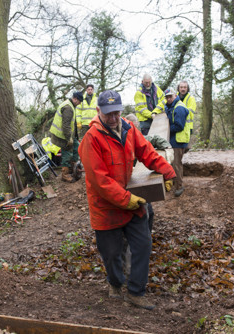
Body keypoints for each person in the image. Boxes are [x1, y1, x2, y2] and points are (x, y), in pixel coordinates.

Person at [79, 90, 175, 310]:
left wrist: (167, 172)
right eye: (108, 114)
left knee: (143, 244)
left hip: (131, 201)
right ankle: (115, 283)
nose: (113, 118)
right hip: (105, 206)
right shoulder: (91, 139)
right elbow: (99, 180)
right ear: (98, 112)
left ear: (122, 110)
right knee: (112, 254)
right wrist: (126, 199)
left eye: (116, 113)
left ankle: (135, 292)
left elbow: (148, 153)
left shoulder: (130, 129)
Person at [49, 91, 83, 182]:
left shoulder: (72, 105)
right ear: (75, 99)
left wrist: (75, 137)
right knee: (67, 153)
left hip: (70, 135)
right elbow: (66, 126)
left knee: (77, 148)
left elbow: (73, 123)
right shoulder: (68, 107)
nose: (79, 103)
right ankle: (65, 174)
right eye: (79, 101)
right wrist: (69, 139)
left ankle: (73, 169)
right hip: (63, 136)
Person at [164, 87, 192, 197]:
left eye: (170, 96)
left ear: (175, 96)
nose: (168, 99)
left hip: (178, 140)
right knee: (175, 163)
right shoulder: (172, 106)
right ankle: (176, 183)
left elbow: (179, 126)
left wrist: (166, 129)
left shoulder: (179, 108)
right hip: (176, 139)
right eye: (167, 97)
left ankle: (179, 186)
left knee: (176, 163)